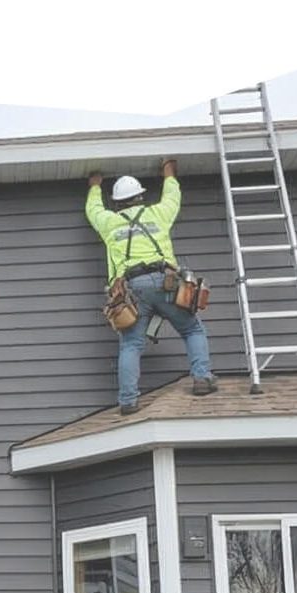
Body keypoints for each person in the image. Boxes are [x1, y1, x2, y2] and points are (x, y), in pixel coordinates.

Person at [86, 158, 216, 415]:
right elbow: (172, 196)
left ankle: (128, 401)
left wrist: (94, 185)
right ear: (140, 197)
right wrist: (168, 173)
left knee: (131, 345)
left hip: (132, 290)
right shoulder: (158, 213)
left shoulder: (109, 223)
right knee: (191, 329)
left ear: (117, 202)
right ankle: (202, 378)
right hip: (166, 282)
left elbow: (93, 209)